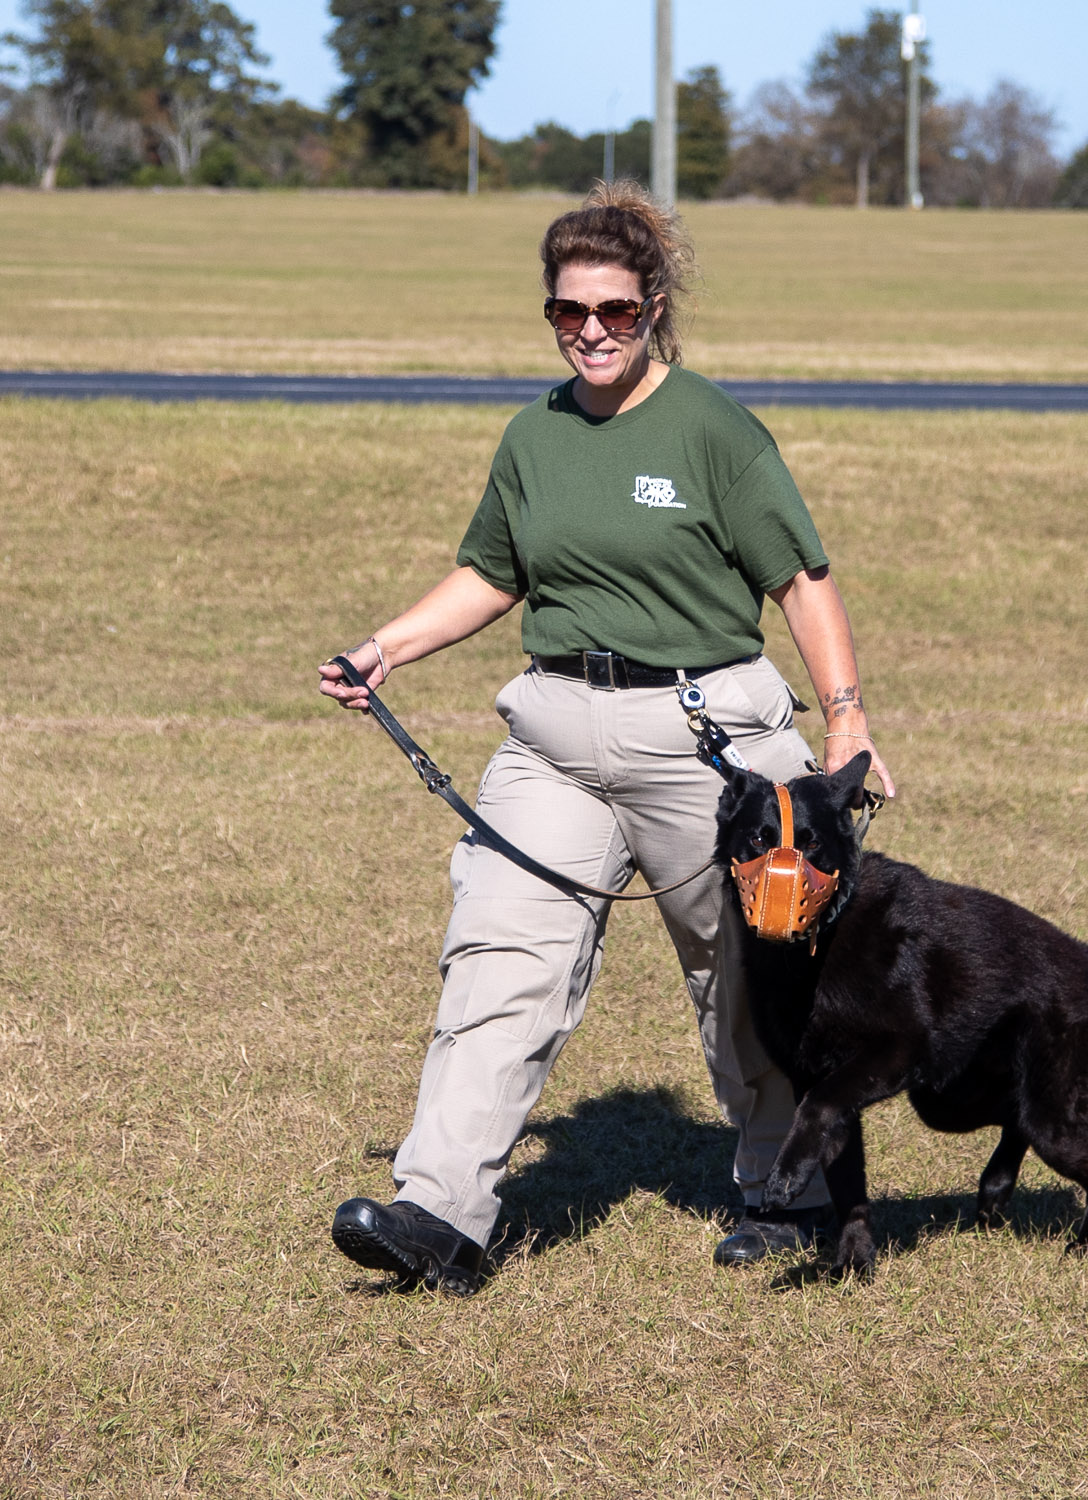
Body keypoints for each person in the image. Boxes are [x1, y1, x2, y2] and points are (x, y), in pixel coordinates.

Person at [318, 181, 896, 1294]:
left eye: (615, 310)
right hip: (554, 739)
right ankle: (439, 1215)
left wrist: (847, 719)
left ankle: (790, 1189)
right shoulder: (533, 435)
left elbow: (801, 580)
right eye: (569, 311)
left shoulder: (714, 431)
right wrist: (386, 646)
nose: (591, 331)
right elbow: (493, 572)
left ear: (654, 307)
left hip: (706, 740)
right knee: (498, 960)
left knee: (749, 970)